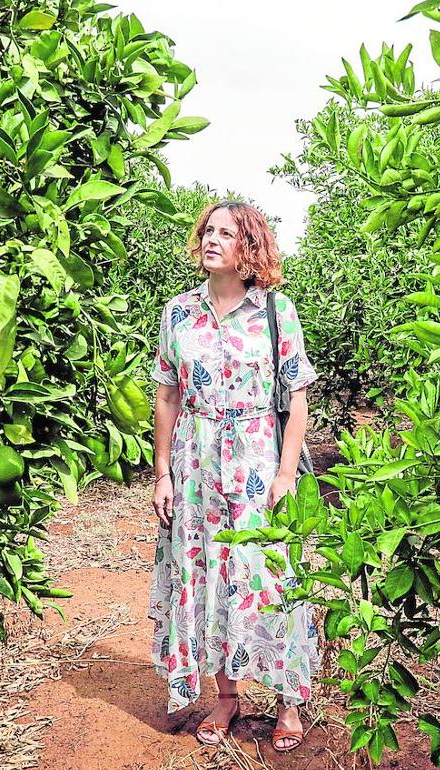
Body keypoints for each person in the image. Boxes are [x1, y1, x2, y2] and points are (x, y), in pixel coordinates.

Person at [147, 200, 319, 752]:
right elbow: (168, 396)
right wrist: (162, 473)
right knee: (209, 576)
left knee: (269, 576)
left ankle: (290, 699)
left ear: (250, 247)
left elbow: (296, 396)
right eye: (208, 231)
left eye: (227, 233)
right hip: (195, 466)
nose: (212, 240)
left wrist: (287, 471)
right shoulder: (177, 313)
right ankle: (227, 695)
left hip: (257, 460)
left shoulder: (275, 311)